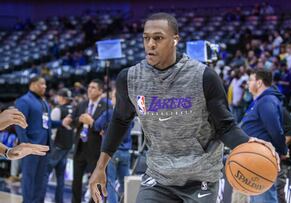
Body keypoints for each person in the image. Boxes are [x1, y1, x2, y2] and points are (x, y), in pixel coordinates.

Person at [89, 13, 278, 203]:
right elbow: (120, 121)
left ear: (175, 39)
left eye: (158, 38)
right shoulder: (130, 78)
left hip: (200, 178)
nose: (151, 44)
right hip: (158, 176)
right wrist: (100, 167)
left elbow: (225, 127)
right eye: (146, 38)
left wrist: (249, 143)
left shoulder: (204, 77)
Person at [240, 69, 287, 203]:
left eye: (250, 80)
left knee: (264, 198)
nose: (248, 83)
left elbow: (275, 130)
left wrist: (282, 150)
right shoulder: (260, 101)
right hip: (255, 156)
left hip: (262, 157)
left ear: (259, 83)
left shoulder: (267, 101)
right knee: (258, 197)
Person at [82, 89, 132, 203]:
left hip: (111, 153)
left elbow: (96, 125)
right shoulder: (129, 112)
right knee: (126, 184)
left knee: (110, 183)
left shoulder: (109, 113)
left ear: (115, 98)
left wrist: (93, 123)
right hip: (125, 152)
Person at [63, 79, 108, 203]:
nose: (89, 89)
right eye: (89, 87)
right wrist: (78, 120)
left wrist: (91, 122)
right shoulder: (82, 104)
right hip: (80, 146)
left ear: (100, 91)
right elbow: (73, 121)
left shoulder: (106, 106)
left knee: (96, 181)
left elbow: (106, 126)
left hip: (96, 149)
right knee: (76, 180)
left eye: (93, 87)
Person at [15, 76, 54, 203]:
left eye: (45, 84)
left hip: (44, 148)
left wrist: (62, 123)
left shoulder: (43, 102)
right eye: (42, 84)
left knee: (41, 180)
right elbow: (19, 124)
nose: (45, 86)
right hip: (30, 148)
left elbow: (48, 123)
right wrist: (25, 144)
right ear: (32, 84)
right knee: (29, 179)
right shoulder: (24, 101)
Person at [44, 88, 74, 203]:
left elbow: (50, 127)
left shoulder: (58, 110)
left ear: (62, 98)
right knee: (60, 176)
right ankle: (59, 201)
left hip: (57, 145)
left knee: (45, 172)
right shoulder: (73, 109)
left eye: (58, 96)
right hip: (67, 145)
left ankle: (39, 198)